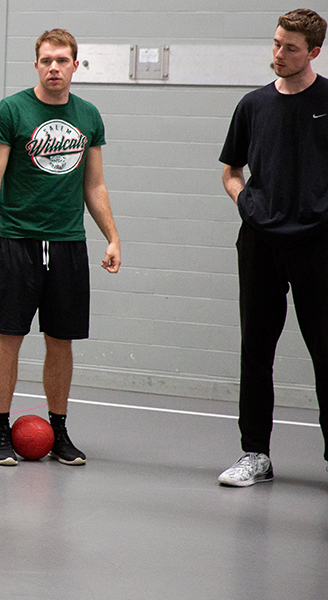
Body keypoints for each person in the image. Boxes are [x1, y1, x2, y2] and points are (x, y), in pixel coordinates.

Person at [0, 29, 121, 467]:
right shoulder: (11, 110)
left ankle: (58, 430)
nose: (54, 67)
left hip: (68, 245)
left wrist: (112, 236)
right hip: (18, 241)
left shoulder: (89, 116)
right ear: (36, 65)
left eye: (62, 60)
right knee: (10, 336)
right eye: (46, 60)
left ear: (76, 65)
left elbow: (93, 184)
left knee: (61, 342)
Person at [217, 9, 328, 487]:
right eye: (277, 44)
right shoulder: (252, 105)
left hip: (318, 247)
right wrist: (248, 204)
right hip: (260, 243)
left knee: (325, 352)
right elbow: (230, 171)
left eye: (290, 48)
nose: (278, 55)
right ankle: (254, 455)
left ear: (314, 52)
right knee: (256, 350)